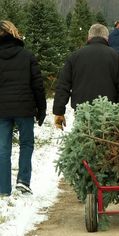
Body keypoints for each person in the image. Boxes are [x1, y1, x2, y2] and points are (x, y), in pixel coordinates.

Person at [53, 23, 119, 130]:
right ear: (107, 38)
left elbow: (63, 85)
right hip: (109, 113)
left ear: (89, 37)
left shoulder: (75, 57)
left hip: (82, 112)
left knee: (83, 142)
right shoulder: (118, 57)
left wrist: (59, 112)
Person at [0, 20, 46, 196]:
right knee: (26, 144)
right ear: (14, 33)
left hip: (2, 110)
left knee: (3, 148)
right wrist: (41, 109)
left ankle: (3, 188)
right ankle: (23, 181)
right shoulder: (27, 56)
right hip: (24, 108)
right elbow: (38, 85)